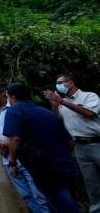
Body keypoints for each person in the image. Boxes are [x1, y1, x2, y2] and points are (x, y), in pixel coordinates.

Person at [3, 83, 81, 213]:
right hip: (66, 164)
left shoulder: (14, 111)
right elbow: (70, 142)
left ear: (13, 97)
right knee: (65, 201)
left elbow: (14, 139)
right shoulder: (46, 112)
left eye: (8, 97)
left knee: (63, 205)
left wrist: (12, 163)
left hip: (44, 168)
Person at [0, 80, 50, 213]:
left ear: (3, 92)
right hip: (8, 159)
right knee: (26, 195)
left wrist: (13, 143)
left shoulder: (15, 108)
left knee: (39, 194)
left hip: (25, 156)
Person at [44, 73, 100, 213]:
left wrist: (62, 102)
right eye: (57, 83)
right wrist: (55, 106)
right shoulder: (63, 103)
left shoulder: (89, 96)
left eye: (60, 82)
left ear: (71, 83)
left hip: (96, 143)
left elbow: (89, 113)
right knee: (90, 182)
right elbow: (58, 121)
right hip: (79, 147)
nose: (58, 86)